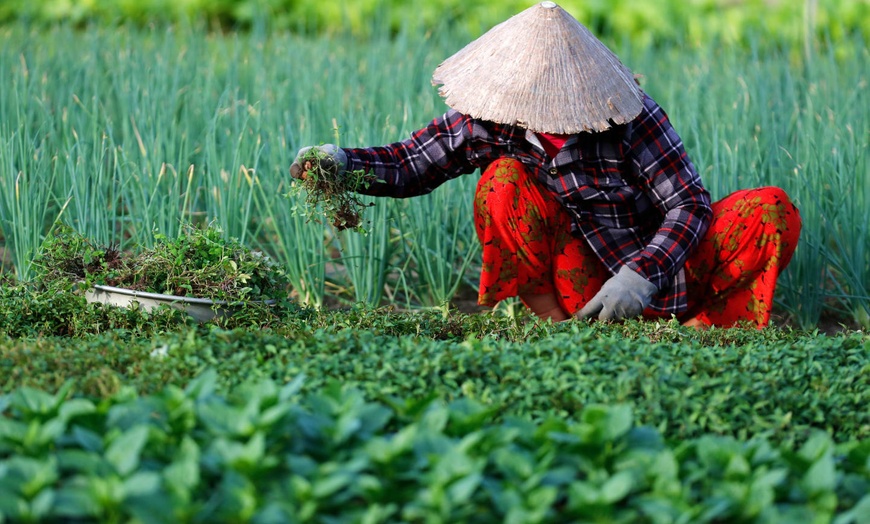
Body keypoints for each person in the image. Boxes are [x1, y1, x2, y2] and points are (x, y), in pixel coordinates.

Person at [290, 1, 802, 328]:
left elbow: (688, 205)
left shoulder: (627, 114)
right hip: (581, 283)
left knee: (770, 208)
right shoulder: (491, 119)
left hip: (668, 270)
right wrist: (338, 161)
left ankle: (700, 332)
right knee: (502, 181)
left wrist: (640, 275)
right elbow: (409, 164)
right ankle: (559, 330)